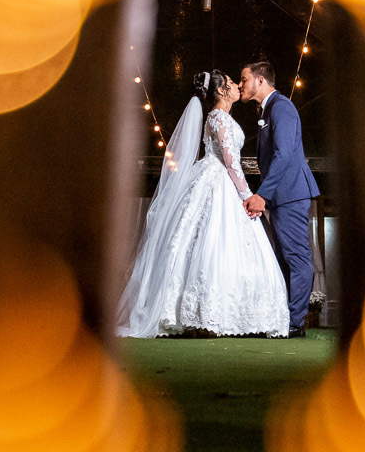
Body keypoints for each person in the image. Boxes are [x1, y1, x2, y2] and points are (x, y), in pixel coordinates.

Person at [115, 70, 290, 338]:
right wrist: (247, 195)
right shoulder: (219, 117)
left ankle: (224, 313)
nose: (236, 87)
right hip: (218, 179)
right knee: (210, 239)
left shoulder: (221, 117)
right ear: (221, 91)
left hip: (217, 178)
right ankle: (202, 313)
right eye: (232, 83)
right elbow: (230, 162)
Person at [240, 62, 320, 337]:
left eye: (244, 79)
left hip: (290, 193)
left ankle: (295, 323)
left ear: (260, 80)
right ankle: (283, 317)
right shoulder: (266, 110)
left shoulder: (282, 107)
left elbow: (284, 155)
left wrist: (262, 194)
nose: (240, 85)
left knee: (296, 257)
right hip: (281, 196)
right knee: (283, 257)